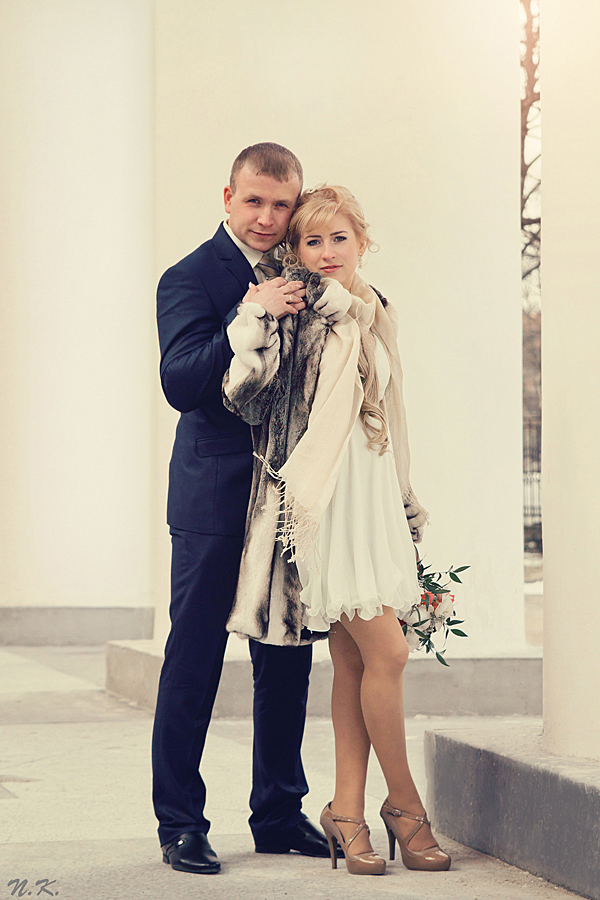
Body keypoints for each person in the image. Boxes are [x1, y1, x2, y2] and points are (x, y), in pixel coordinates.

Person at [223, 184, 451, 876]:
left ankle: (346, 812)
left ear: (362, 241)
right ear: (296, 251)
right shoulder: (295, 311)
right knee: (391, 654)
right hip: (323, 504)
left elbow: (390, 411)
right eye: (311, 241)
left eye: (338, 238)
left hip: (372, 496)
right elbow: (243, 395)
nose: (326, 253)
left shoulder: (375, 311)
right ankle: (405, 805)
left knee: (355, 662)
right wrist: (252, 316)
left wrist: (405, 499)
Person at [153, 143, 336, 875]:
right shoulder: (189, 277)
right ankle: (180, 823)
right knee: (194, 660)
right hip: (215, 495)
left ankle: (279, 814)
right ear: (228, 197)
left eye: (281, 204)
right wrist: (247, 312)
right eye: (254, 201)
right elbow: (180, 383)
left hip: (287, 500)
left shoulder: (305, 272)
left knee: (286, 656)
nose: (266, 217)